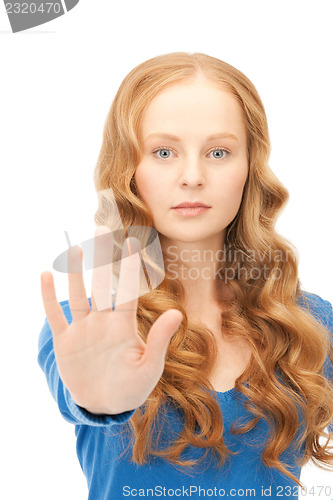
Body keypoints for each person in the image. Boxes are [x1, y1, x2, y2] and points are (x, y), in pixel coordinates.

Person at [38, 52, 333, 499]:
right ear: (129, 171)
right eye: (163, 152)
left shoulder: (310, 324)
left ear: (249, 167)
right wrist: (100, 403)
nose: (192, 176)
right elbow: (84, 393)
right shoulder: (84, 328)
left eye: (218, 152)